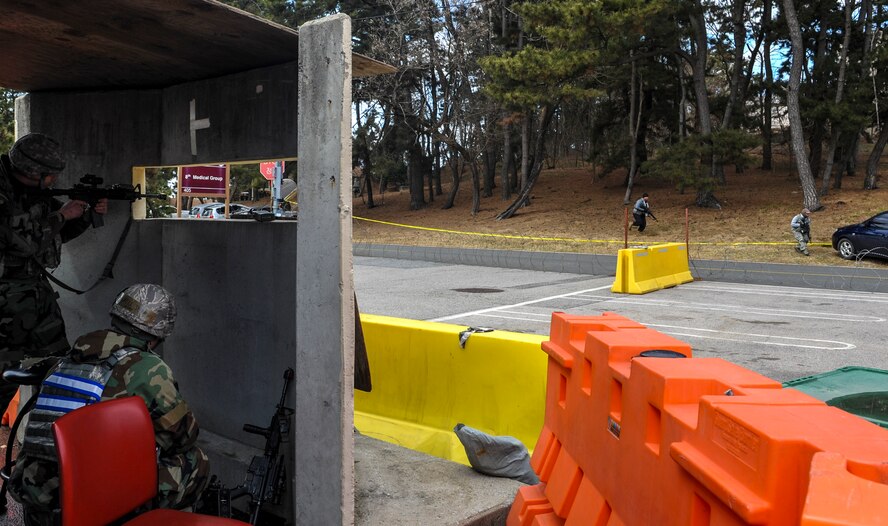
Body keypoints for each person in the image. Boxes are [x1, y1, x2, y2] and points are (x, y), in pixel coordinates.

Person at [10, 283, 210, 525]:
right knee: (195, 460)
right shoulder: (147, 368)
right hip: (89, 504)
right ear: (157, 336)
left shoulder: (65, 361)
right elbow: (183, 436)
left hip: (38, 498)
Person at [0, 133, 108, 407]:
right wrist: (63, 214)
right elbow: (21, 241)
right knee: (3, 381)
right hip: (4, 309)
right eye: (50, 176)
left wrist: (85, 213)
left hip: (36, 301)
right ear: (31, 171)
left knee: (59, 370)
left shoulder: (36, 192)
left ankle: (49, 436)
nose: (54, 181)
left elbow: (55, 233)